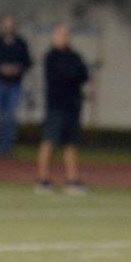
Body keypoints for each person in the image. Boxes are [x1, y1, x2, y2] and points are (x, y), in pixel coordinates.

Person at [35, 24, 90, 195]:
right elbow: (62, 76)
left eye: (66, 35)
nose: (64, 38)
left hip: (73, 105)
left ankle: (72, 180)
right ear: (54, 37)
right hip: (56, 105)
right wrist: (72, 74)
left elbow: (83, 75)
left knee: (71, 143)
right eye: (60, 35)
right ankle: (43, 180)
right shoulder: (51, 57)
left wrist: (73, 74)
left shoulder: (75, 56)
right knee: (50, 140)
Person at [0, 14, 32, 156]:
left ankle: (6, 149)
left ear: (14, 26)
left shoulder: (21, 43)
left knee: (10, 117)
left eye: (11, 24)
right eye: (6, 24)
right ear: (3, 26)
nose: (9, 26)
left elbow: (28, 62)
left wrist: (17, 68)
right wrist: (0, 68)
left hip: (15, 85)